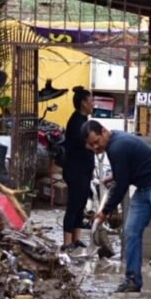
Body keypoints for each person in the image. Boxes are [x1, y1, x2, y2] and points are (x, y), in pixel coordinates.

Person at [80, 120, 151, 296]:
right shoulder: (115, 143)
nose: (95, 147)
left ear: (104, 132)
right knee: (131, 231)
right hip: (144, 186)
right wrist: (114, 176)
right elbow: (126, 172)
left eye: (96, 142)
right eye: (91, 145)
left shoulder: (117, 146)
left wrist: (104, 212)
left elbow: (122, 185)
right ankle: (132, 280)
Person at [60, 86, 95, 252]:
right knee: (74, 204)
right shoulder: (75, 122)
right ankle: (67, 242)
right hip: (75, 170)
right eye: (90, 101)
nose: (93, 104)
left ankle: (77, 238)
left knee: (81, 203)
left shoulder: (84, 121)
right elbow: (85, 145)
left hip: (84, 169)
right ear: (83, 103)